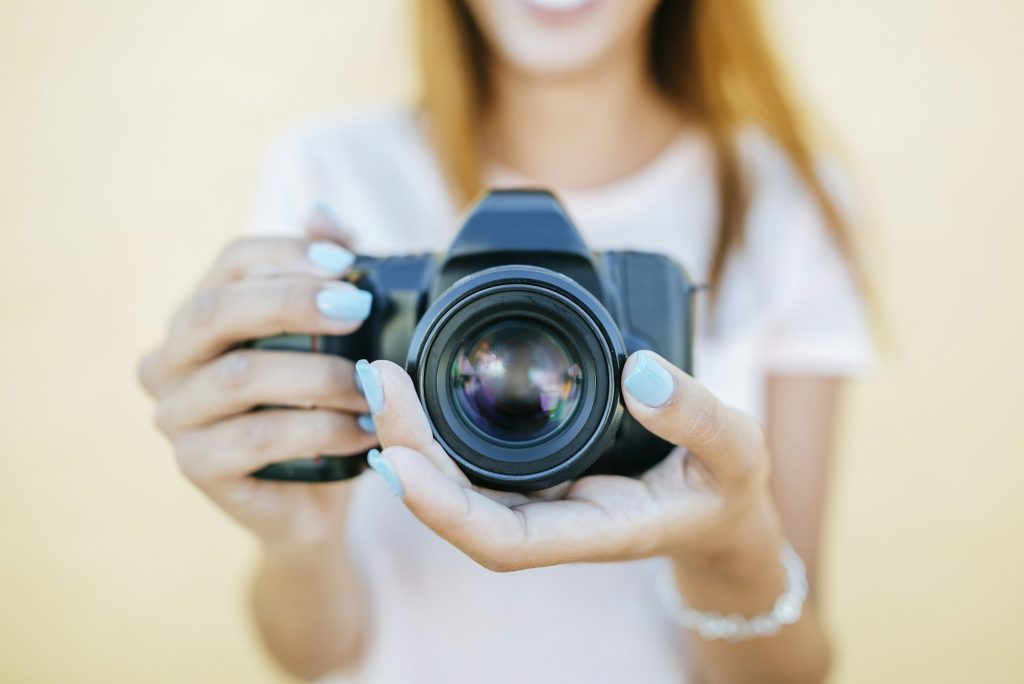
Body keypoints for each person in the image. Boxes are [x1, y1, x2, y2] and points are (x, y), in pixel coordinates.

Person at [138, 0, 871, 682]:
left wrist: (728, 547)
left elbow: (790, 673)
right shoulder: (331, 172)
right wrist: (299, 534)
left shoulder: (781, 198)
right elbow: (315, 659)